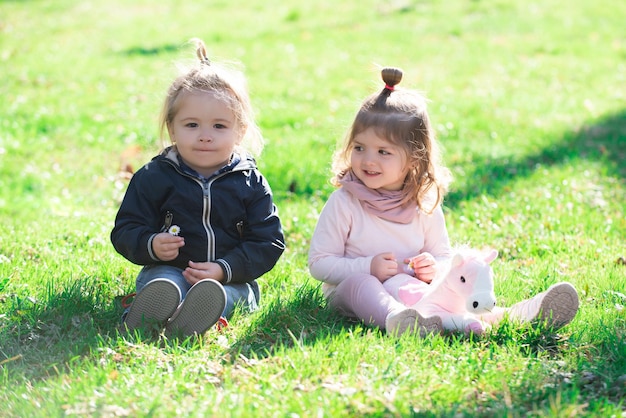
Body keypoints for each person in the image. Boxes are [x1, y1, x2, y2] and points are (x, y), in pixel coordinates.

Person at [308, 67, 579, 337]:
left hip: (414, 291)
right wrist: (367, 266)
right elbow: (319, 263)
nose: (368, 160)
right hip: (355, 294)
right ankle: (398, 321)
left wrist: (434, 267)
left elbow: (443, 256)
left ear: (414, 158)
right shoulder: (345, 202)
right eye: (359, 148)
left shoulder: (422, 204)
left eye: (383, 152)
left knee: (454, 282)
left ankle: (518, 314)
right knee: (364, 284)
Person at [111, 38, 285, 338]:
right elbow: (126, 229)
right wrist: (151, 243)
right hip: (168, 271)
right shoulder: (154, 176)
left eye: (219, 126)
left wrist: (224, 268)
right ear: (172, 128)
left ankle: (199, 313)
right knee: (166, 284)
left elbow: (268, 242)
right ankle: (150, 310)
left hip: (231, 279)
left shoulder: (249, 181)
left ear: (240, 130)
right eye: (192, 125)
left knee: (229, 296)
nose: (205, 136)